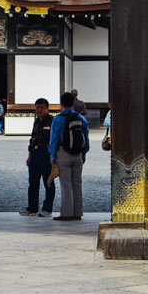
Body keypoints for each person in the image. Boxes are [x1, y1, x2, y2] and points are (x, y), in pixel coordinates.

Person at [48, 92, 90, 221]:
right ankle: (77, 213)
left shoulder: (58, 119)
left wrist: (52, 156)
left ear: (61, 103)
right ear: (73, 102)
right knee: (77, 183)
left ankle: (66, 213)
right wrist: (83, 153)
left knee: (66, 184)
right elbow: (86, 138)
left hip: (63, 153)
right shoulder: (81, 118)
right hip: (77, 154)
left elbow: (54, 139)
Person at [20, 98, 55, 217]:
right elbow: (32, 139)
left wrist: (53, 157)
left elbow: (54, 140)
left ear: (47, 108)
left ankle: (47, 208)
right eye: (37, 107)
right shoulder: (36, 122)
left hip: (46, 153)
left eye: (42, 107)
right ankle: (32, 208)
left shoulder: (52, 121)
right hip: (35, 153)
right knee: (33, 182)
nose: (39, 110)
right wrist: (29, 155)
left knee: (48, 181)